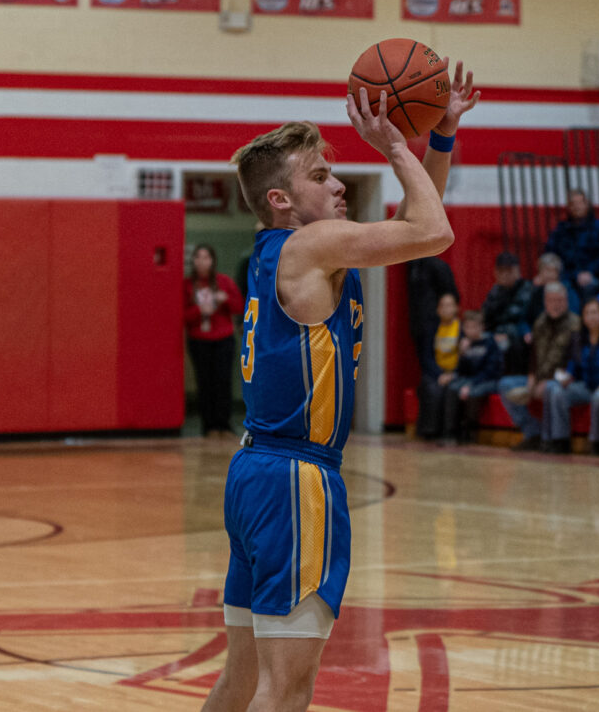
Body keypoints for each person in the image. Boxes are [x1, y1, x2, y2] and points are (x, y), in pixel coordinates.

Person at [204, 62, 477, 712]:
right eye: (320, 174)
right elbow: (436, 232)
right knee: (286, 687)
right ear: (281, 199)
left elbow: (418, 224)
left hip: (254, 473)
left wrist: (438, 139)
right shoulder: (312, 244)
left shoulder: (289, 251)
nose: (337, 182)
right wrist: (393, 146)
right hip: (298, 479)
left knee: (240, 679)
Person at [500, 281, 580, 452]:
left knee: (552, 388)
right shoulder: (540, 322)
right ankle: (533, 433)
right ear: (545, 302)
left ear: (566, 301)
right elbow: (534, 355)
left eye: (559, 300)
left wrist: (548, 380)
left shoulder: (575, 324)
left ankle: (555, 440)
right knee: (506, 384)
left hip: (561, 378)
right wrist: (531, 377)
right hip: (538, 376)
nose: (556, 305)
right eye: (551, 300)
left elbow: (574, 360)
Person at [185, 244, 246, 436]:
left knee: (223, 382)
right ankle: (209, 426)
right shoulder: (187, 285)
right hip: (199, 339)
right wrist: (199, 311)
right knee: (205, 382)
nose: (202, 262)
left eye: (206, 258)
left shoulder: (224, 282)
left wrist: (224, 299)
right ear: (193, 261)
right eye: (198, 258)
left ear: (213, 261)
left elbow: (240, 307)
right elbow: (181, 315)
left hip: (223, 338)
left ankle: (224, 425)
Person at [542, 298, 599, 454]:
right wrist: (567, 376)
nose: (591, 316)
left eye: (595, 312)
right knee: (554, 389)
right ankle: (559, 440)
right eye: (587, 313)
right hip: (585, 385)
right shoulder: (578, 337)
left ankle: (597, 443)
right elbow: (573, 365)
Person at [437, 310, 503, 445]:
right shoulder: (466, 343)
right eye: (467, 327)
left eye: (474, 327)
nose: (470, 330)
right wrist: (462, 354)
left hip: (488, 380)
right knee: (452, 388)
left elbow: (490, 371)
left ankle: (469, 431)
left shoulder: (490, 343)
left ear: (481, 327)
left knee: (473, 392)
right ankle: (450, 432)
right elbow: (463, 371)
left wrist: (470, 384)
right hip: (470, 379)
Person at [405, 257, 459, 410]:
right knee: (429, 380)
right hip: (418, 324)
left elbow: (451, 292)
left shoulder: (438, 266)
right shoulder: (412, 264)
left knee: (435, 381)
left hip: (432, 325)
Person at [545, 189, 599, 296]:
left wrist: (590, 272)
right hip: (567, 276)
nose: (577, 207)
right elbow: (551, 254)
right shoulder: (561, 230)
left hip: (594, 275)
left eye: (580, 203)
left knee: (590, 286)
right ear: (568, 207)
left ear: (587, 205)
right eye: (572, 204)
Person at [414, 292, 460, 440]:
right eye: (443, 306)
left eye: (449, 305)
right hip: (437, 372)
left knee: (451, 389)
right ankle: (429, 431)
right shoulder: (432, 330)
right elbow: (426, 357)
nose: (446, 309)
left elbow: (465, 358)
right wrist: (440, 374)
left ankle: (449, 432)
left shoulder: (461, 329)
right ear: (438, 310)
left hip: (455, 372)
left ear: (456, 308)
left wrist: (452, 374)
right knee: (431, 388)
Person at [481, 251, 534, 374]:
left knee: (507, 342)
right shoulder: (495, 291)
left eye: (509, 270)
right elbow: (486, 317)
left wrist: (503, 333)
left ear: (517, 271)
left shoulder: (526, 288)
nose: (505, 274)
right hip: (496, 335)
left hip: (518, 336)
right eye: (501, 270)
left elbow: (519, 317)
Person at [524, 252, 581, 324]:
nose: (549, 275)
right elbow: (524, 318)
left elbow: (574, 314)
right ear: (540, 273)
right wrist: (526, 332)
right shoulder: (535, 291)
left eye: (553, 270)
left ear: (558, 273)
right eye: (546, 270)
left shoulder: (568, 290)